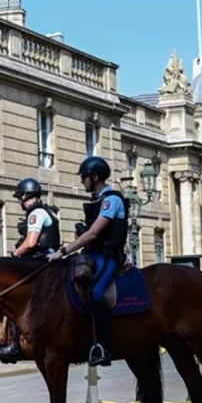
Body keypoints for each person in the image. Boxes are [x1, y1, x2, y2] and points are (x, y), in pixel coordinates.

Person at [47, 156, 129, 367]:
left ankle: (103, 346)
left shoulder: (112, 200)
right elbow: (89, 235)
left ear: (94, 177)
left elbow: (94, 234)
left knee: (95, 293)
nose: (82, 181)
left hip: (109, 257)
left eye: (84, 177)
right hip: (92, 255)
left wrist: (62, 251)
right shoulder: (96, 199)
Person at [0, 178, 61, 364]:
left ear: (25, 195)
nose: (20, 202)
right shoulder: (49, 211)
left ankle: (15, 345)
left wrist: (13, 255)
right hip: (48, 259)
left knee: (12, 294)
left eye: (20, 197)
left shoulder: (36, 214)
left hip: (39, 260)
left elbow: (30, 242)